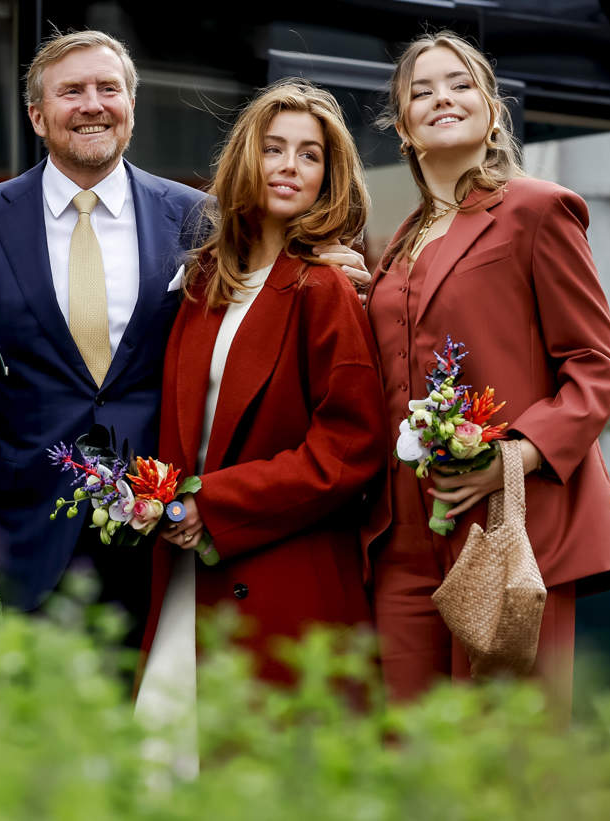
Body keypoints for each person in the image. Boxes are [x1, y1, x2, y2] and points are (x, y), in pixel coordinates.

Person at [0, 32, 372, 634]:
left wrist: (331, 270)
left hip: (160, 537)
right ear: (37, 116)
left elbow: (268, 298)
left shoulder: (202, 221)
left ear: (131, 105)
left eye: (109, 88)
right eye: (71, 91)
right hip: (20, 531)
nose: (92, 104)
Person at [365, 31, 610, 706]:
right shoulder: (399, 240)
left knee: (503, 757)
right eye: (420, 91)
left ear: (491, 113)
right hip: (401, 534)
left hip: (508, 526)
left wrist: (519, 455)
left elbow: (597, 365)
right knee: (406, 747)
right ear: (403, 126)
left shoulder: (537, 210)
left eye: (458, 83)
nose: (441, 97)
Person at [136, 81, 385, 767]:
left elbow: (349, 449)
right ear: (245, 159)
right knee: (166, 772)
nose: (288, 166)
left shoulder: (325, 287)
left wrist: (209, 504)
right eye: (273, 149)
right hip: (187, 571)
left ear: (328, 181)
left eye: (309, 156)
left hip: (283, 579)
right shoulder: (205, 282)